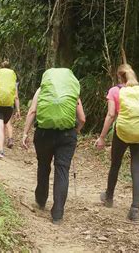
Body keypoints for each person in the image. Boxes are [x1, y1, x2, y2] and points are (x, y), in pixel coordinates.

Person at [22, 68, 85, 225]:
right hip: (67, 135)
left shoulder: (42, 90)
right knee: (62, 170)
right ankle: (57, 213)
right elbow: (82, 118)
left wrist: (25, 133)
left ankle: (41, 200)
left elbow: (32, 111)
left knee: (43, 166)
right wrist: (75, 131)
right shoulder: (72, 91)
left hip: (44, 134)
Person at [95, 64, 139, 222]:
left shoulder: (115, 91)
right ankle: (135, 209)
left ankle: (109, 197)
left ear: (119, 77)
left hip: (122, 133)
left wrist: (102, 137)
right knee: (136, 170)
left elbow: (110, 115)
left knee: (115, 164)